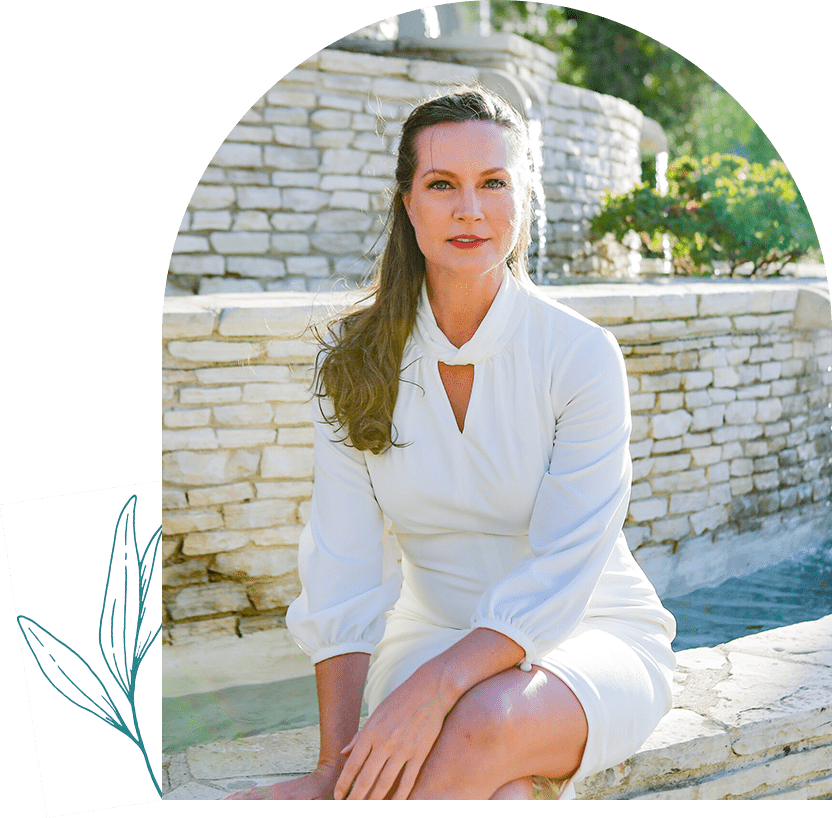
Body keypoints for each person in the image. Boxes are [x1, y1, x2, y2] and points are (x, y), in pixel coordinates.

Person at [224, 87, 676, 801]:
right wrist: (333, 764)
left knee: (482, 722)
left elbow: (565, 567)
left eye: (493, 183)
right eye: (443, 185)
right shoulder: (352, 360)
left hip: (588, 632)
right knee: (498, 793)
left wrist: (433, 691)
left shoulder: (581, 355)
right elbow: (344, 568)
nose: (471, 209)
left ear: (524, 200)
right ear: (409, 204)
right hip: (429, 632)